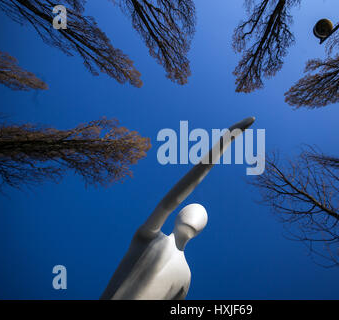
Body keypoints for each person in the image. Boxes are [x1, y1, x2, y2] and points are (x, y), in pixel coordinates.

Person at [100, 117, 255, 300]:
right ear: (178, 215)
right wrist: (223, 143)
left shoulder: (185, 278)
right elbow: (171, 201)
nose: (195, 218)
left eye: (201, 218)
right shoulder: (148, 237)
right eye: (190, 211)